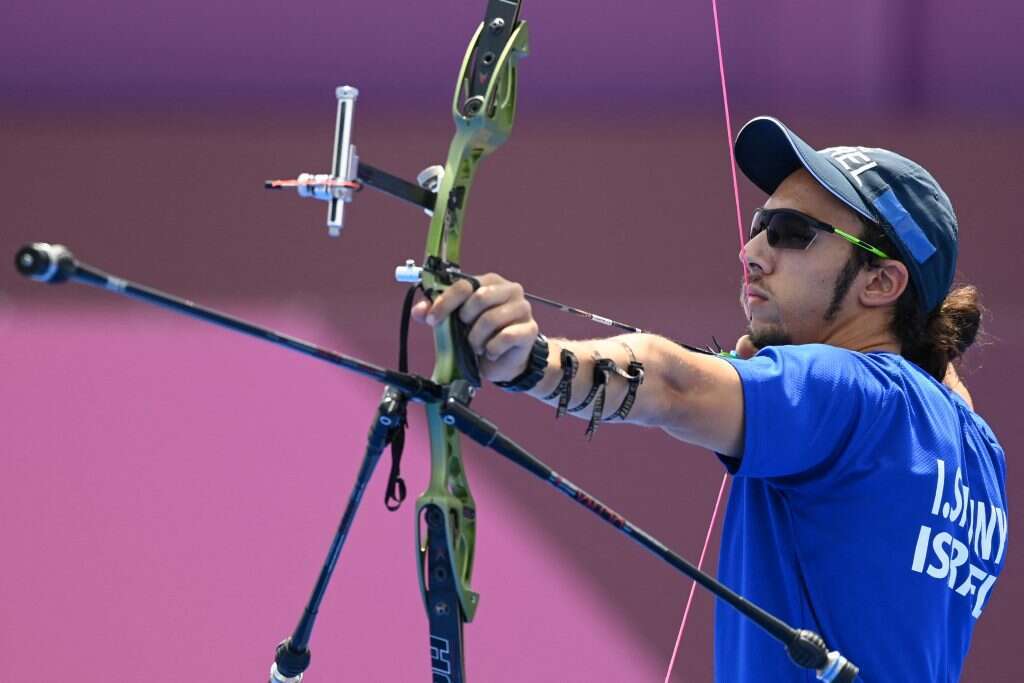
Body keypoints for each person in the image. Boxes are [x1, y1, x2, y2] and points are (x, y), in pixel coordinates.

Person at [412, 116, 1007, 682]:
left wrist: (533, 360)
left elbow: (673, 383)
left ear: (880, 282)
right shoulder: (979, 450)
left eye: (792, 235)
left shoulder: (850, 392)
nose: (752, 252)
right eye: (759, 225)